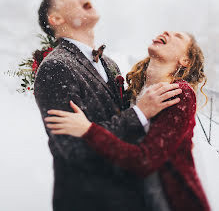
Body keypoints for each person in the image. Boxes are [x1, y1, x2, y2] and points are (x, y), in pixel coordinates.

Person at [34, 0, 181, 211]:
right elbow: (75, 150)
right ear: (56, 19)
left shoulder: (109, 63)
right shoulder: (55, 67)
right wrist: (140, 112)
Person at [46, 31, 210, 211]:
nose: (166, 33)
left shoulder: (179, 93)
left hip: (170, 200)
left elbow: (144, 160)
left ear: (185, 60)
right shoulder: (134, 91)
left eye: (178, 36)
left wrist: (88, 130)